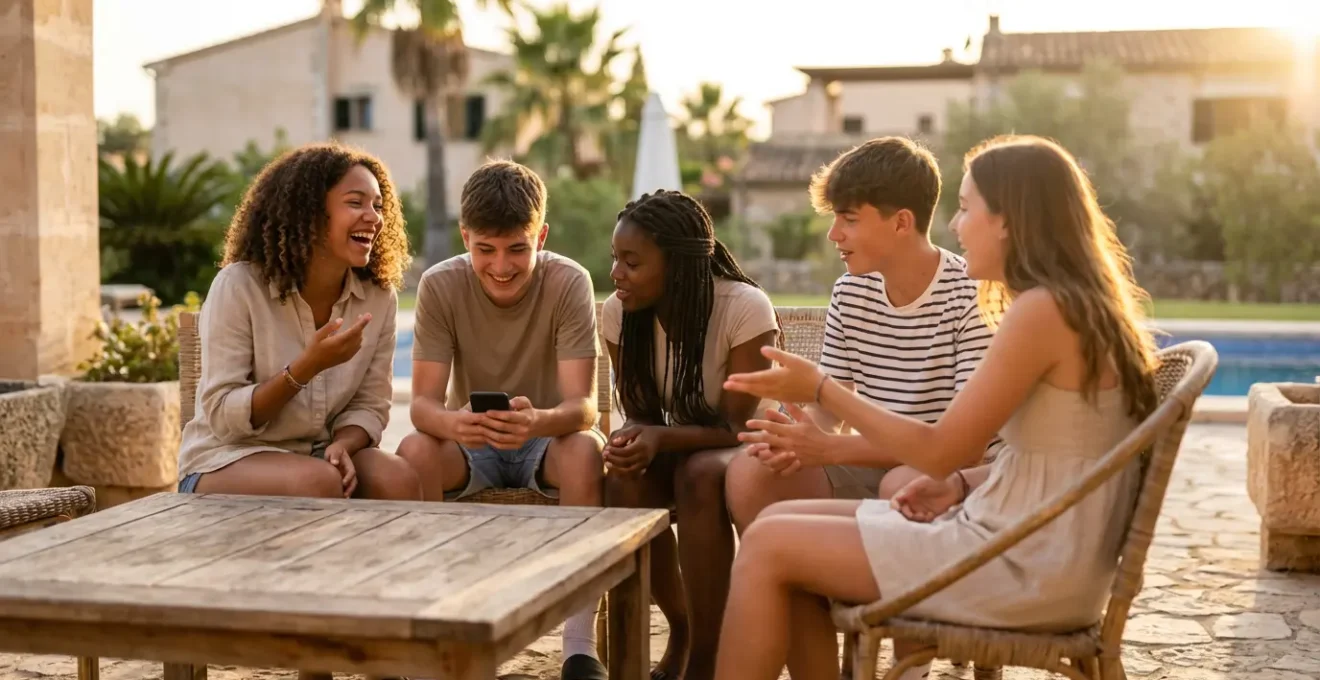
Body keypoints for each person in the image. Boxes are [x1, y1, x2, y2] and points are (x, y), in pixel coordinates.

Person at [713, 134, 1162, 680]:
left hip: (1024, 564)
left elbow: (945, 447)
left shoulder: (1043, 312)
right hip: (1025, 543)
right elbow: (1052, 456)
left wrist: (822, 389)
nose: (954, 225)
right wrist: (961, 486)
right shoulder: (1068, 305)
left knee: (768, 544)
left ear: (1008, 220)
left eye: (968, 208)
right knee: (778, 522)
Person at [393, 160, 608, 680]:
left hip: (548, 439)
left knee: (586, 449)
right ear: (465, 236)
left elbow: (585, 408)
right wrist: (454, 424)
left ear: (542, 235)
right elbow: (422, 405)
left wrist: (538, 421)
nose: (502, 266)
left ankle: (579, 647)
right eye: (484, 250)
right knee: (413, 452)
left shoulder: (569, 281)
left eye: (518, 249)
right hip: (472, 443)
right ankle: (434, 624)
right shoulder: (441, 285)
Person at [726, 136, 999, 534]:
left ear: (902, 222)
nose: (833, 234)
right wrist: (794, 436)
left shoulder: (970, 294)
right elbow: (829, 409)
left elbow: (964, 449)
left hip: (951, 472)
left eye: (849, 220)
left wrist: (826, 446)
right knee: (749, 470)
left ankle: (882, 588)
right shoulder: (851, 291)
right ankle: (805, 591)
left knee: (899, 482)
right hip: (870, 460)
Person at [177, 141, 421, 506]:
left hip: (318, 453)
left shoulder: (377, 299)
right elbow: (223, 417)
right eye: (355, 203)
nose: (373, 217)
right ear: (308, 213)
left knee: (398, 477)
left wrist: (343, 444)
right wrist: (307, 367)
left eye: (378, 206)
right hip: (226, 458)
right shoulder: (239, 286)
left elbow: (371, 405)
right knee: (318, 481)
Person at [601, 189, 779, 680]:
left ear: (677, 265)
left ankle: (706, 653)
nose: (617, 273)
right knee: (624, 480)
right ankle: (678, 628)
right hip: (679, 443)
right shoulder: (620, 312)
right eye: (615, 258)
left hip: (749, 450)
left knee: (699, 476)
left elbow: (739, 426)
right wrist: (631, 441)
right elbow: (640, 413)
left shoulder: (743, 307)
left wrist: (661, 439)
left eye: (632, 262)